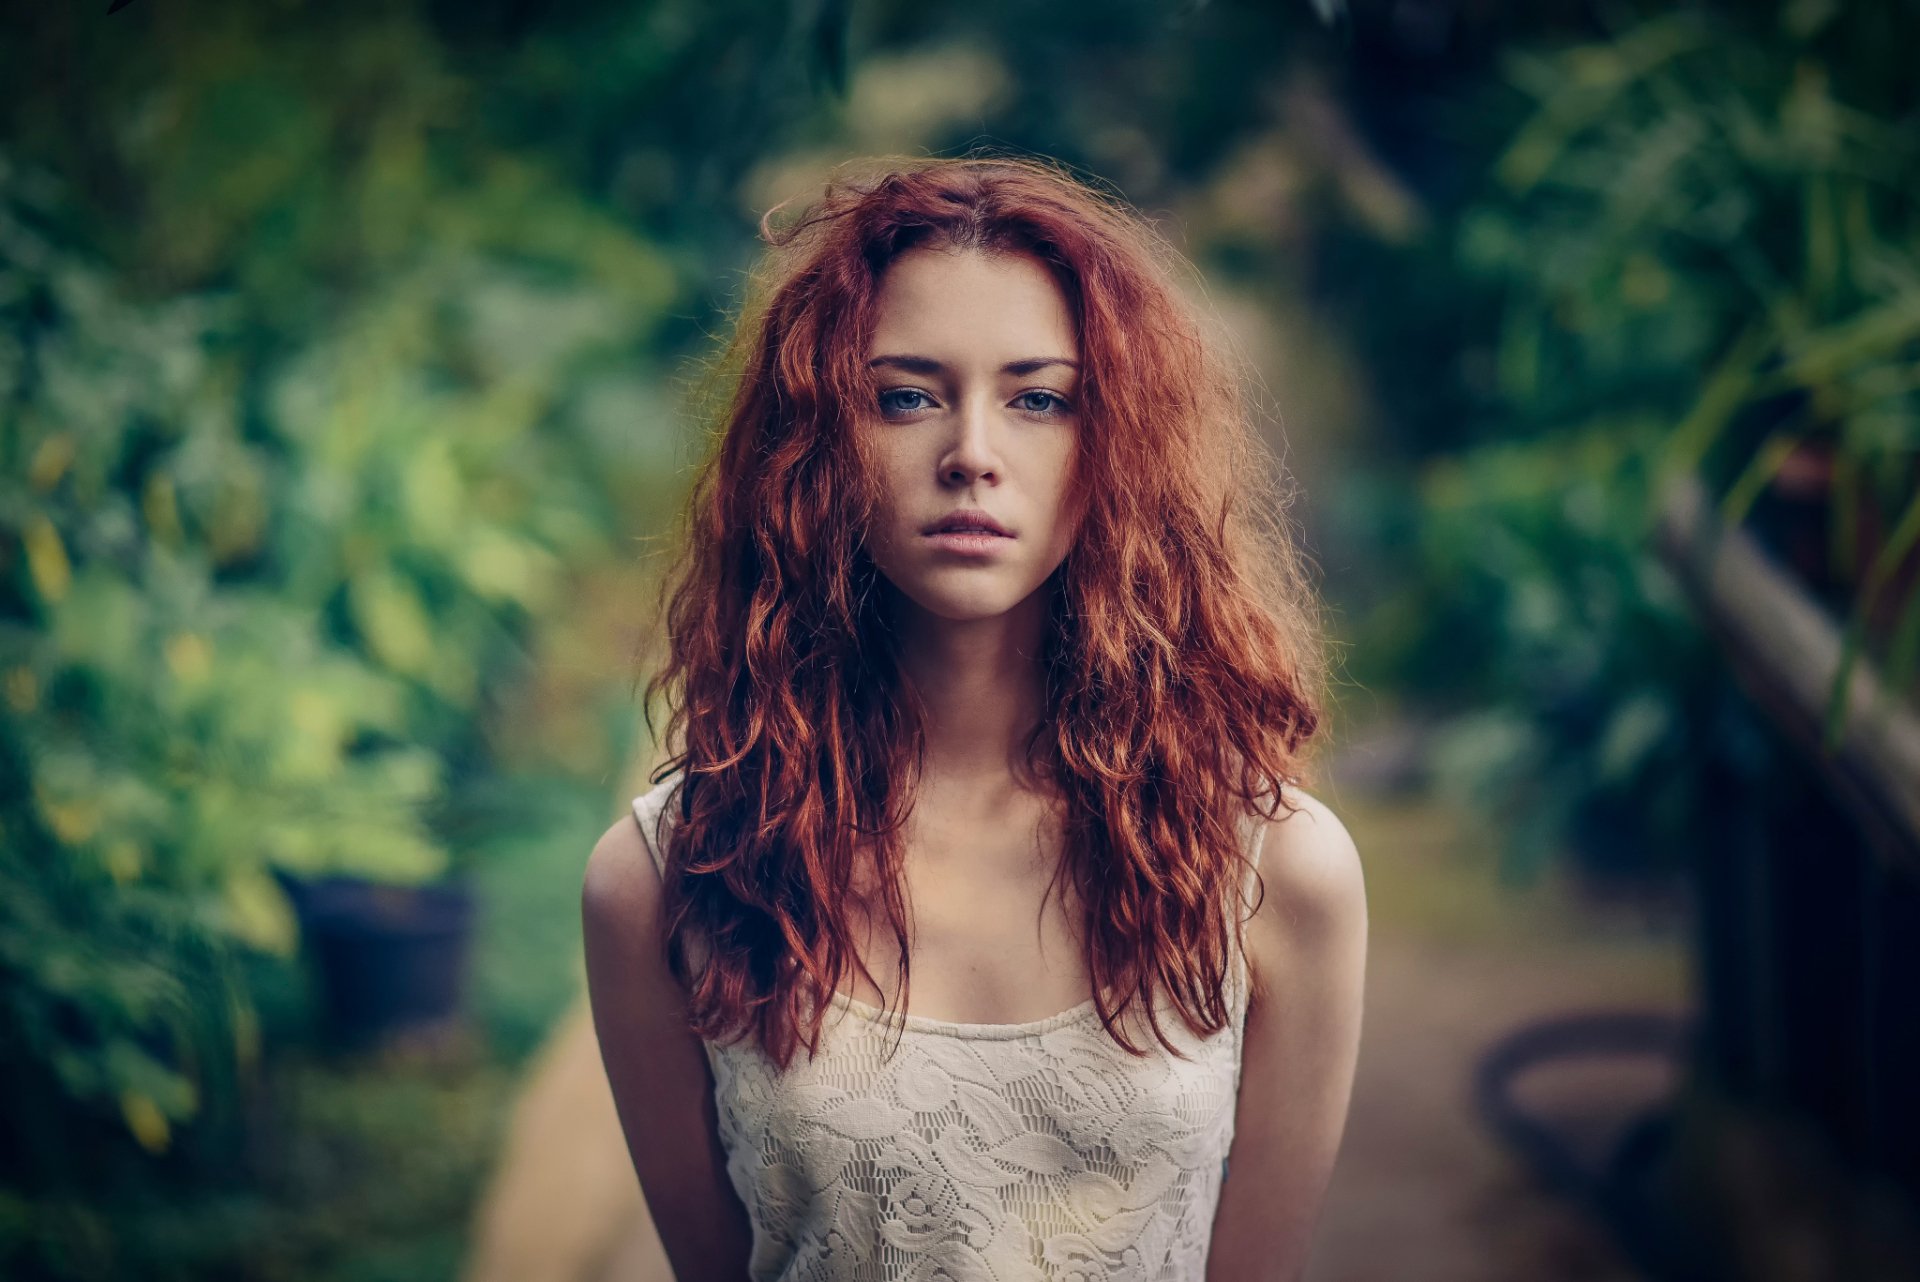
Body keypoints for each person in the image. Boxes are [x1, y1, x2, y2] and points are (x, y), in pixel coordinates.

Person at [582, 153, 1367, 1282]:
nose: (973, 457)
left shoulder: (1275, 868)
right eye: (907, 396)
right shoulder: (669, 877)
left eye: (1038, 398)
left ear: (1119, 441)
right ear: (817, 442)